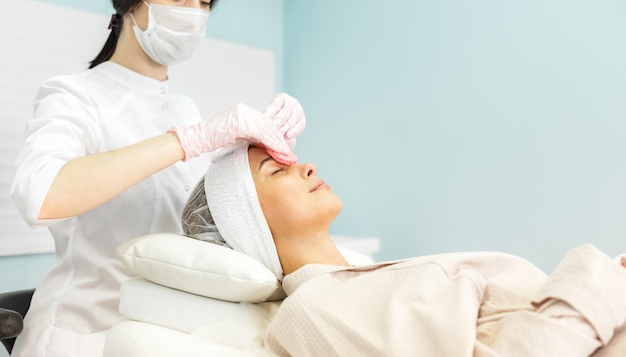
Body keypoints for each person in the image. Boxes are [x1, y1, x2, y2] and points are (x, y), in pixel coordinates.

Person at [10, 0, 304, 356]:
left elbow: (197, 229)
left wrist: (257, 152)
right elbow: (40, 197)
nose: (193, 15)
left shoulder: (183, 109)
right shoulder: (73, 96)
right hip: (81, 335)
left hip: (158, 333)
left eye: (205, 2)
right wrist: (186, 142)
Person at [183, 141, 626, 357]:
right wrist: (600, 284)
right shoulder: (311, 312)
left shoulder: (366, 280)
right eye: (274, 172)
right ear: (249, 222)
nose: (306, 165)